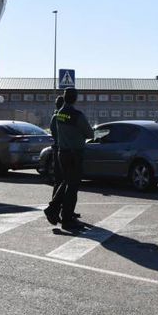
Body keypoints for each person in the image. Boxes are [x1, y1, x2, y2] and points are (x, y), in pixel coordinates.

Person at [44, 88, 94, 229]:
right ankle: (66, 219)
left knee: (66, 182)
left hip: (62, 153)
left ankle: (53, 209)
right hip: (74, 154)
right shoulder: (77, 115)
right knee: (72, 187)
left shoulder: (59, 114)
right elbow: (90, 134)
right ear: (75, 98)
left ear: (65, 98)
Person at [47, 95, 65, 191]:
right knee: (61, 178)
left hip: (58, 148)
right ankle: (57, 202)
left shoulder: (56, 116)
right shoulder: (63, 116)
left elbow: (53, 131)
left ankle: (57, 202)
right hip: (62, 148)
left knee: (59, 178)